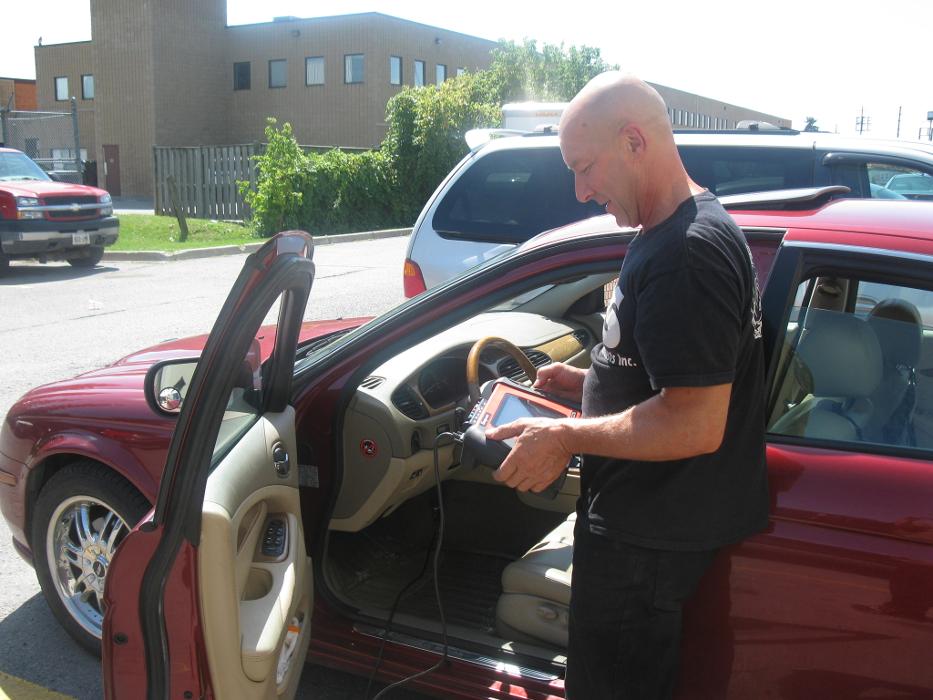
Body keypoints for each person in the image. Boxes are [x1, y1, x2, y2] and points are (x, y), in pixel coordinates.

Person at [484, 73, 769, 699]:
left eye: (584, 168)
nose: (581, 192)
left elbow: (695, 420)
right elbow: (674, 370)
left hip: (646, 542)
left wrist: (565, 437)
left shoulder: (687, 253)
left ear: (634, 142)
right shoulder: (675, 227)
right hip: (645, 526)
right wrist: (586, 382)